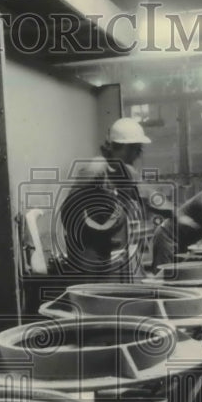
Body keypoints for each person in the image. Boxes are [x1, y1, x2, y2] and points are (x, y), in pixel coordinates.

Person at [58, 117, 150, 281]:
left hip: (110, 247)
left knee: (112, 296)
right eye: (134, 149)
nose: (137, 155)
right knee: (92, 298)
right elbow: (67, 212)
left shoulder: (124, 172)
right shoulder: (96, 168)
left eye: (139, 150)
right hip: (88, 250)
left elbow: (141, 197)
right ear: (118, 147)